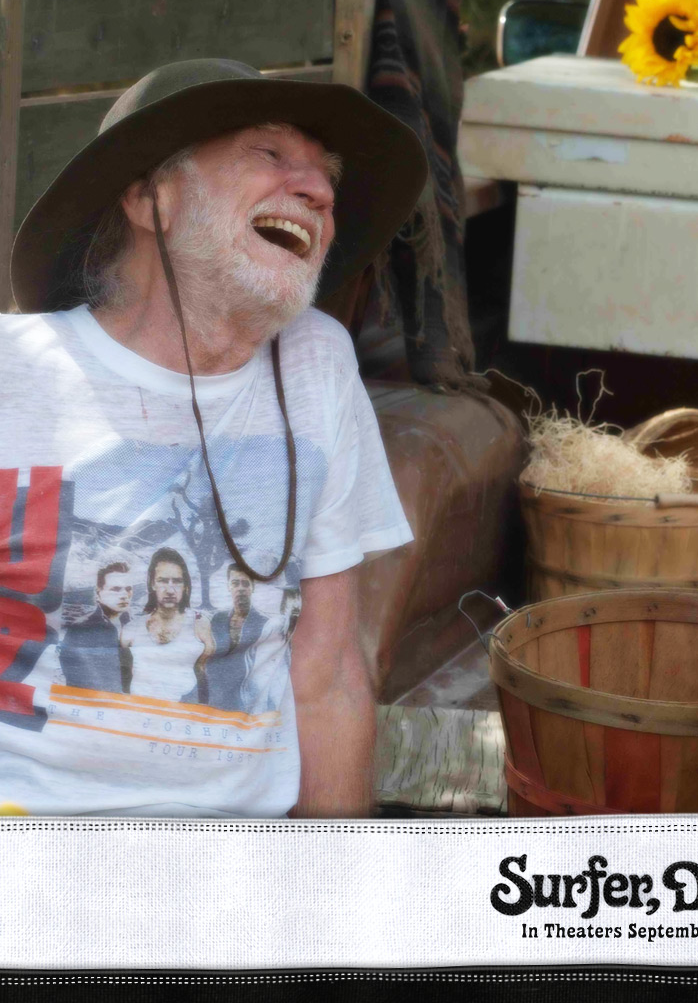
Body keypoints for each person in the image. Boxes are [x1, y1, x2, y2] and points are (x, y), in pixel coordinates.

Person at [0, 59, 427, 817]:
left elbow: (327, 673)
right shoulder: (17, 373)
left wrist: (338, 882)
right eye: (270, 153)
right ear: (150, 198)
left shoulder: (316, 362)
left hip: (237, 863)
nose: (320, 192)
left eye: (326, 176)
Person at [124, 548, 214, 703]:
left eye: (177, 581)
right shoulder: (132, 629)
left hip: (182, 711)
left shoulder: (199, 625)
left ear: (185, 586)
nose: (170, 590)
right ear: (152, 583)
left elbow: (204, 673)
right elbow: (123, 677)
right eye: (163, 581)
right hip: (138, 711)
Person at [200, 562, 269, 712]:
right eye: (235, 583)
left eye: (245, 584)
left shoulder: (265, 623)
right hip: (216, 697)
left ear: (253, 587)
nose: (241, 588)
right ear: (228, 586)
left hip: (249, 700)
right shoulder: (217, 619)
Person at [58, 561, 134, 693]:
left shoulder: (133, 624)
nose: (124, 595)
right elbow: (73, 675)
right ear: (98, 593)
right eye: (115, 589)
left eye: (128, 589)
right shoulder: (81, 627)